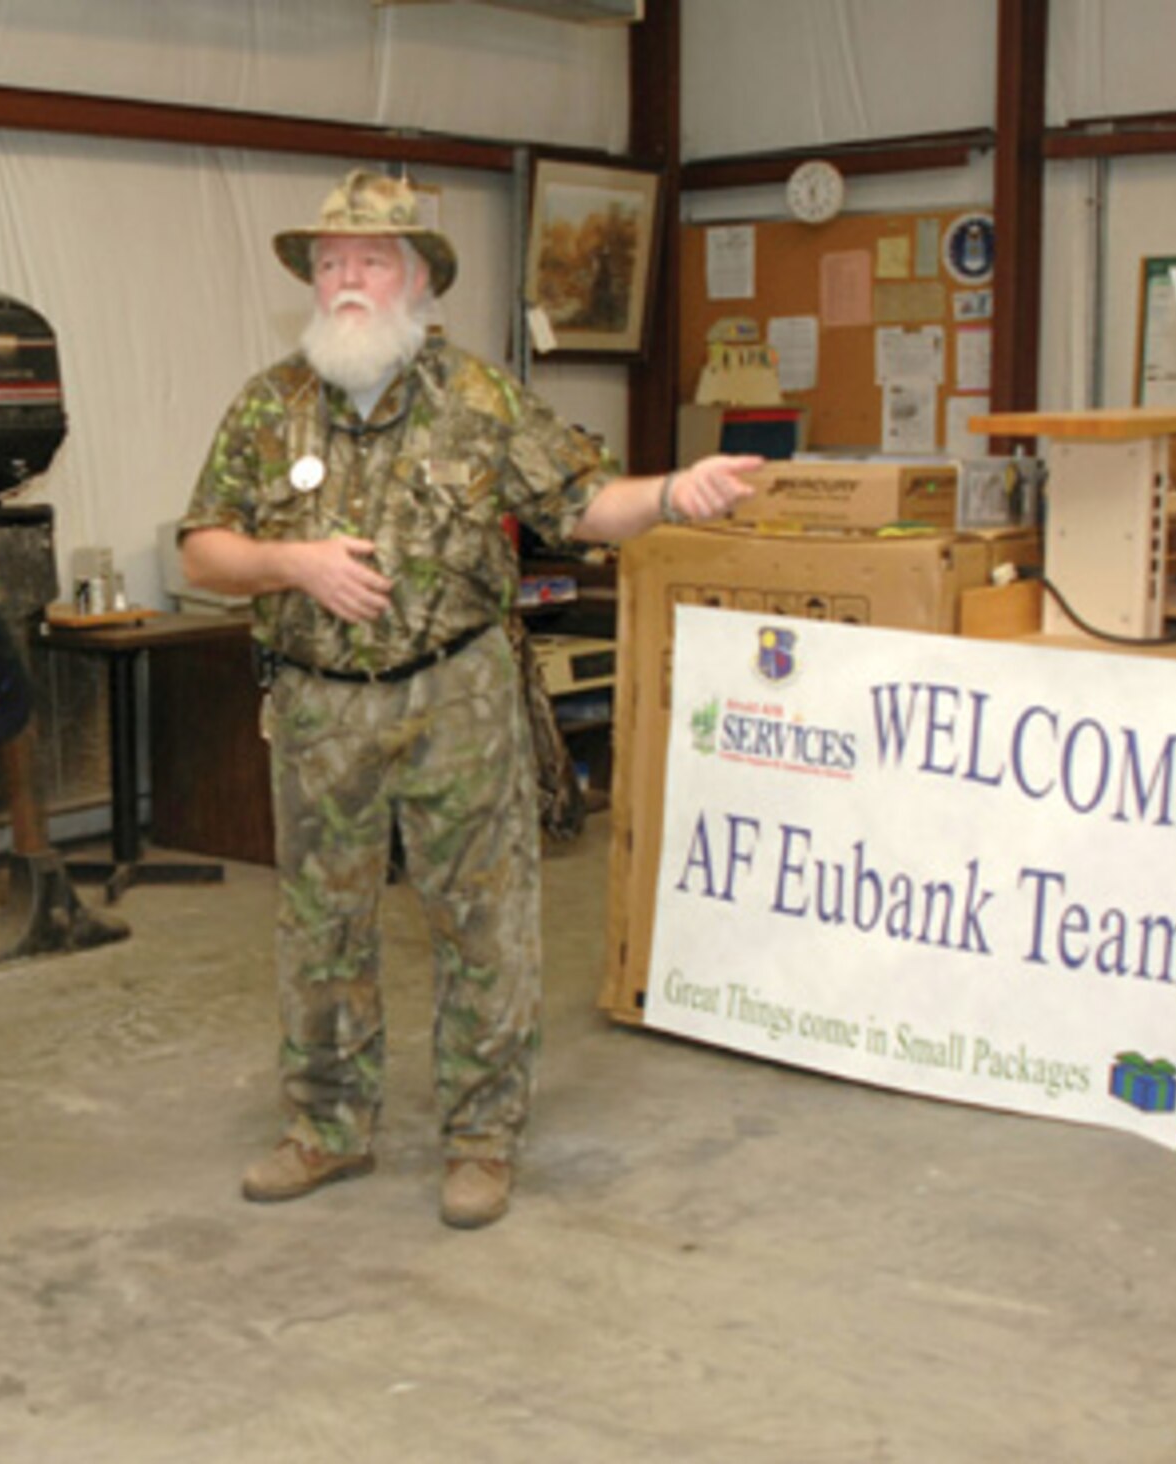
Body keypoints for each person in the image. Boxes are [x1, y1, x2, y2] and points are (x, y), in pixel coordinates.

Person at [180, 169, 759, 1231]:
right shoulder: (268, 405)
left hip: (458, 696)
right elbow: (203, 551)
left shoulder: (478, 399)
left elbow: (584, 502)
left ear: (415, 280)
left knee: (482, 925)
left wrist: (677, 493)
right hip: (318, 708)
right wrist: (291, 564)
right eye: (330, 262)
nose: (346, 278)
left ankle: (481, 1140)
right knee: (320, 927)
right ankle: (327, 1128)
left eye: (370, 260)